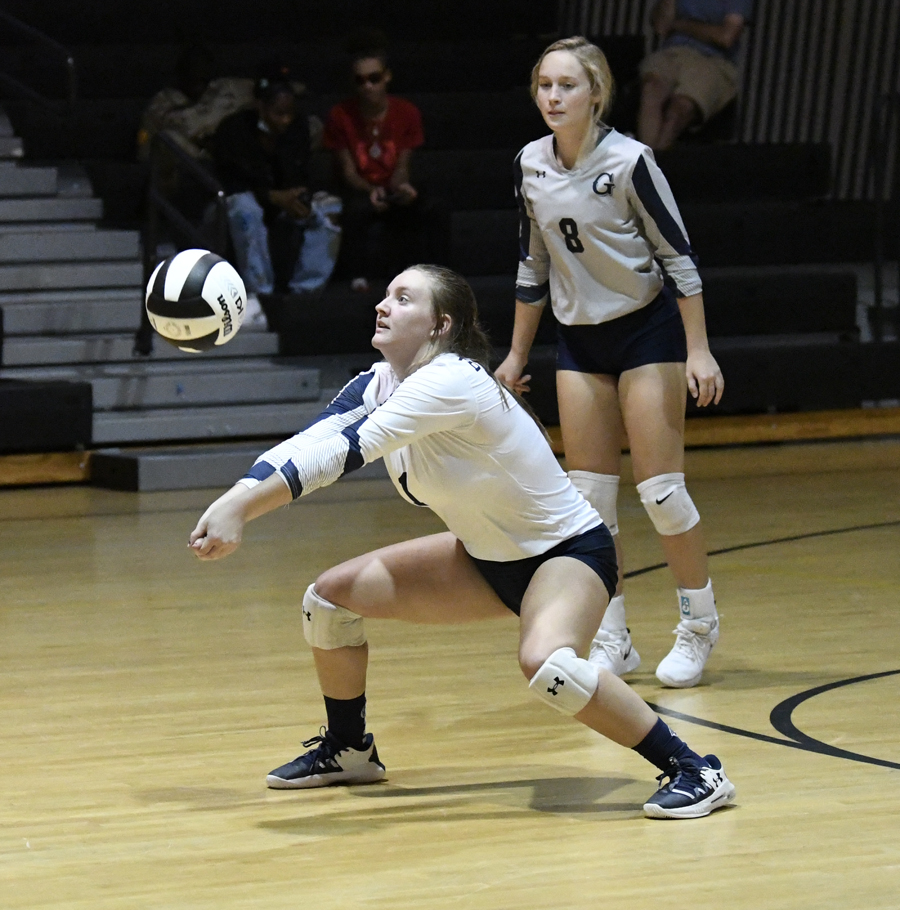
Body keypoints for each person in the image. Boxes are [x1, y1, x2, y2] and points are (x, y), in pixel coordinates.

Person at [189, 263, 735, 820]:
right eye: (384, 294)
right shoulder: (376, 384)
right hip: (482, 559)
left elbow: (346, 451)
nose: (382, 305)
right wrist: (234, 498)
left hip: (567, 554)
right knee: (328, 602)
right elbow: (310, 442)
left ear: (439, 325)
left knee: (549, 665)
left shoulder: (452, 379)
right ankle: (350, 749)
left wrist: (242, 509)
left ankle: (696, 769)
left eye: (403, 299)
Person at [495, 37, 725, 689]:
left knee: (661, 492)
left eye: (567, 85)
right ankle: (612, 635)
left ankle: (699, 624)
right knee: (588, 503)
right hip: (579, 340)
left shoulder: (631, 161)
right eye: (544, 85)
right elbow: (532, 264)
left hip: (645, 331)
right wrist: (515, 356)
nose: (553, 97)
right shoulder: (529, 165)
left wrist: (699, 349)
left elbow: (679, 257)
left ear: (596, 92)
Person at [211, 66, 342, 328]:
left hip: (282, 199)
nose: (285, 120)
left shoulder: (298, 127)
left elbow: (299, 170)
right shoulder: (234, 129)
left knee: (330, 208)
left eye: (289, 114)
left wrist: (299, 196)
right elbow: (233, 180)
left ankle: (305, 292)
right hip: (240, 200)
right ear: (260, 107)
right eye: (278, 114)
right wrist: (272, 196)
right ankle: (261, 295)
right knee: (246, 210)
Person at [323, 43, 449, 293]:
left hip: (392, 185)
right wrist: (370, 189)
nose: (368, 86)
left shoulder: (406, 112)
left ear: (387, 77)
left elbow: (403, 162)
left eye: (374, 78)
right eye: (361, 80)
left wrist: (398, 186)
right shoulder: (340, 115)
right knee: (356, 208)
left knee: (434, 207)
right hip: (361, 188)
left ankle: (442, 276)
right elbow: (348, 170)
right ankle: (356, 277)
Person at [637, 0, 752, 150]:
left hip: (713, 60)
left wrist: (680, 25)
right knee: (651, 90)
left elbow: (726, 37)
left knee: (679, 110)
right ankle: (646, 164)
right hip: (674, 51)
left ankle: (656, 162)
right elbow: (662, 26)